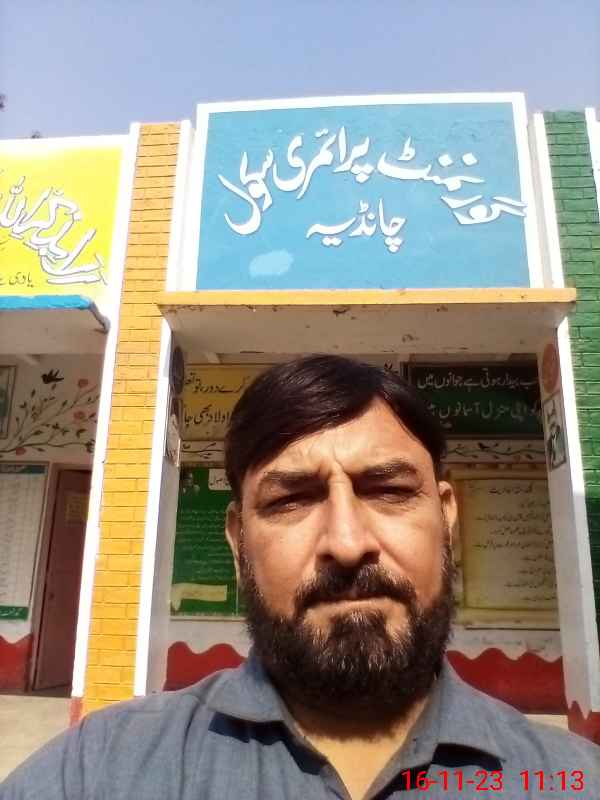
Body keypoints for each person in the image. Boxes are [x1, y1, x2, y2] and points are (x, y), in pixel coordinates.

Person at [2, 355, 599, 799]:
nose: (347, 544)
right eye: (291, 500)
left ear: (446, 517)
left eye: (389, 490)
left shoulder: (570, 778)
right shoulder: (102, 769)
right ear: (238, 540)